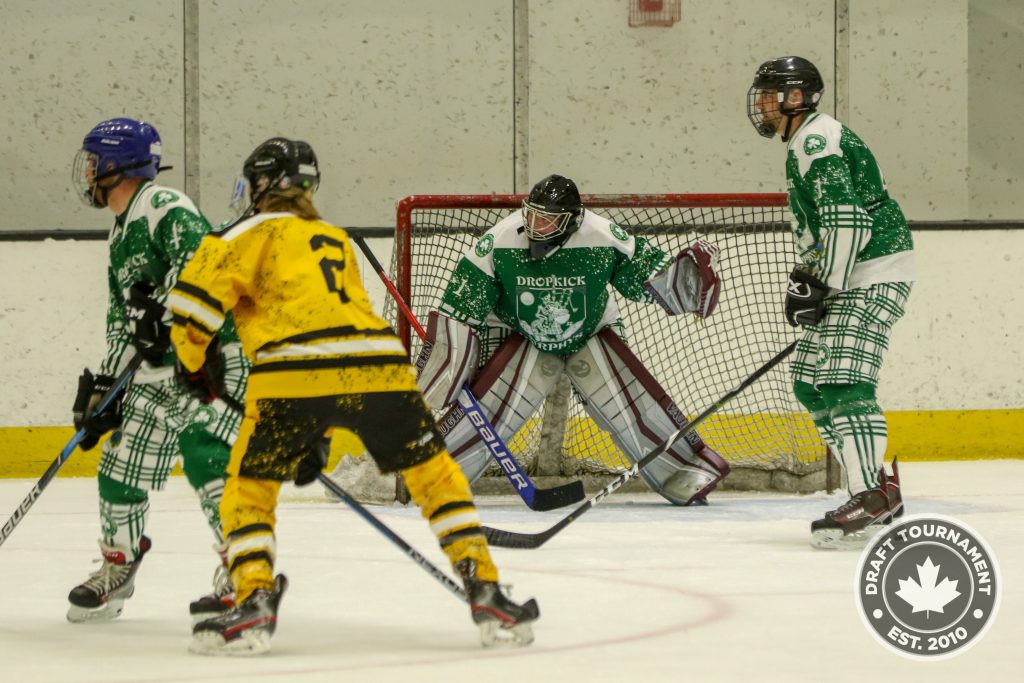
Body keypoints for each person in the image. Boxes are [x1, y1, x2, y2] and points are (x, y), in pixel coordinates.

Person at [165, 137, 539, 655]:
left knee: (249, 489)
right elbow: (339, 326)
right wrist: (318, 429)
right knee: (435, 476)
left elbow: (190, 320)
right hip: (381, 370)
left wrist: (192, 368)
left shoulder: (239, 233)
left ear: (262, 184)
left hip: (291, 376)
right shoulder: (333, 237)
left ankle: (253, 597)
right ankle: (486, 586)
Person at [415, 174, 730, 506]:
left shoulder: (602, 235)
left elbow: (647, 276)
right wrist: (448, 361)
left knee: (630, 405)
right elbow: (461, 308)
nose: (535, 225)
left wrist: (687, 281)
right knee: (489, 406)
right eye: (531, 215)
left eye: (547, 219)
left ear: (572, 220)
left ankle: (685, 471)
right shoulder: (501, 240)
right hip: (520, 332)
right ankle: (431, 476)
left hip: (591, 330)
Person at [67, 117, 248, 621]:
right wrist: (106, 387)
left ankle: (244, 570)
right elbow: (122, 320)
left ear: (115, 163)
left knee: (208, 456)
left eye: (93, 162)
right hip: (157, 370)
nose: (87, 172)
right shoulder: (119, 232)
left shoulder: (163, 205)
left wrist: (164, 312)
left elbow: (204, 266)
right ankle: (118, 566)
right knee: (119, 469)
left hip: (208, 359)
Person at [747, 56, 916, 549]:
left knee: (843, 381)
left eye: (770, 94)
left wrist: (823, 285)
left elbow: (849, 220)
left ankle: (870, 496)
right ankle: (878, 489)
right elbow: (831, 225)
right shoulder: (806, 139)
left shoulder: (816, 141)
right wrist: (813, 278)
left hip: (872, 272)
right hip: (852, 273)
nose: (762, 104)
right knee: (809, 383)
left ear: (796, 97)